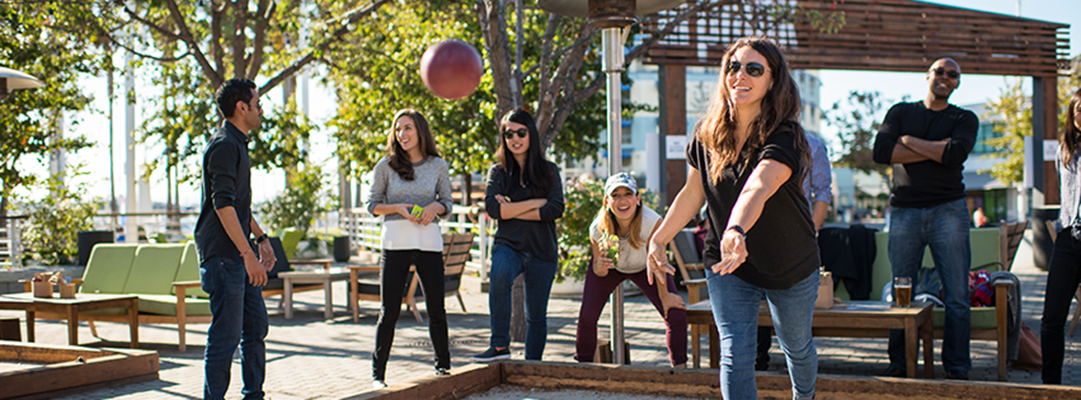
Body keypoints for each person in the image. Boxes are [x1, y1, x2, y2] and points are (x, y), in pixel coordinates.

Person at [646, 37, 820, 400]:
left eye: (754, 69)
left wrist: (736, 228)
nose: (740, 75)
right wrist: (658, 239)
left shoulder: (785, 135)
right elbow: (693, 193)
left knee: (797, 346)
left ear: (772, 80)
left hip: (788, 261)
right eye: (733, 67)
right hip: (728, 263)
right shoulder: (706, 133)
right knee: (735, 350)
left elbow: (759, 184)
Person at [871, 58, 977, 380]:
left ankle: (957, 368)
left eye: (953, 74)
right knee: (902, 292)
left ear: (957, 83)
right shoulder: (901, 112)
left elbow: (955, 155)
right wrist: (937, 150)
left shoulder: (964, 118)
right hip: (904, 211)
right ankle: (901, 363)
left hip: (950, 210)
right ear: (927, 76)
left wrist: (908, 142)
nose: (945, 77)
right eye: (940, 71)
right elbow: (880, 152)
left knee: (957, 294)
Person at [194, 78, 276, 400]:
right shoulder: (224, 144)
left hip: (238, 254)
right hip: (224, 256)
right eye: (257, 104)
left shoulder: (237, 142)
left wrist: (261, 237)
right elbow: (223, 204)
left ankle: (254, 395)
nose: (260, 110)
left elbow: (238, 204)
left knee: (255, 329)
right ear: (241, 108)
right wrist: (248, 254)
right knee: (226, 337)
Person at [366, 109, 454, 388]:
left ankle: (444, 368)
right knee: (389, 310)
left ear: (420, 132)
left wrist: (434, 207)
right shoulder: (385, 166)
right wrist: (398, 209)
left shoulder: (438, 165)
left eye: (408, 128)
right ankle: (378, 375)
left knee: (436, 309)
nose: (402, 134)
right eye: (398, 129)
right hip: (395, 244)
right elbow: (372, 205)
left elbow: (448, 203)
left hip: (429, 244)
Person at [473, 109, 565, 362]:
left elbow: (555, 209)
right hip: (509, 245)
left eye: (521, 133)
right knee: (500, 276)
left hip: (542, 250)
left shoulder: (548, 170)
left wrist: (511, 209)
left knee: (536, 316)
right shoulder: (498, 172)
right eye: (509, 133)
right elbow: (493, 209)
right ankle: (500, 346)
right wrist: (536, 203)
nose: (515, 138)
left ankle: (532, 366)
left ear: (530, 135)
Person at [575, 173, 688, 367]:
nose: (622, 200)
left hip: (648, 267)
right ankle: (582, 368)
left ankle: (680, 369)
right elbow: (598, 270)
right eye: (615, 195)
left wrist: (665, 296)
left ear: (638, 198)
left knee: (675, 312)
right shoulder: (598, 228)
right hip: (612, 268)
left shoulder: (652, 222)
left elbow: (659, 262)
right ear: (607, 201)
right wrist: (599, 267)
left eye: (628, 194)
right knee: (587, 316)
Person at [756, 132, 832, 371]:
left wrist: (811, 232)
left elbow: (822, 191)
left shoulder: (813, 145)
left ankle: (802, 385)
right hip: (753, 236)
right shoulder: (749, 138)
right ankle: (756, 363)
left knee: (796, 334)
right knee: (752, 315)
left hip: (795, 238)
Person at [1042, 87, 1081, 384]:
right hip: (1068, 239)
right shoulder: (1064, 148)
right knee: (1052, 318)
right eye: (1078, 108)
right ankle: (1050, 386)